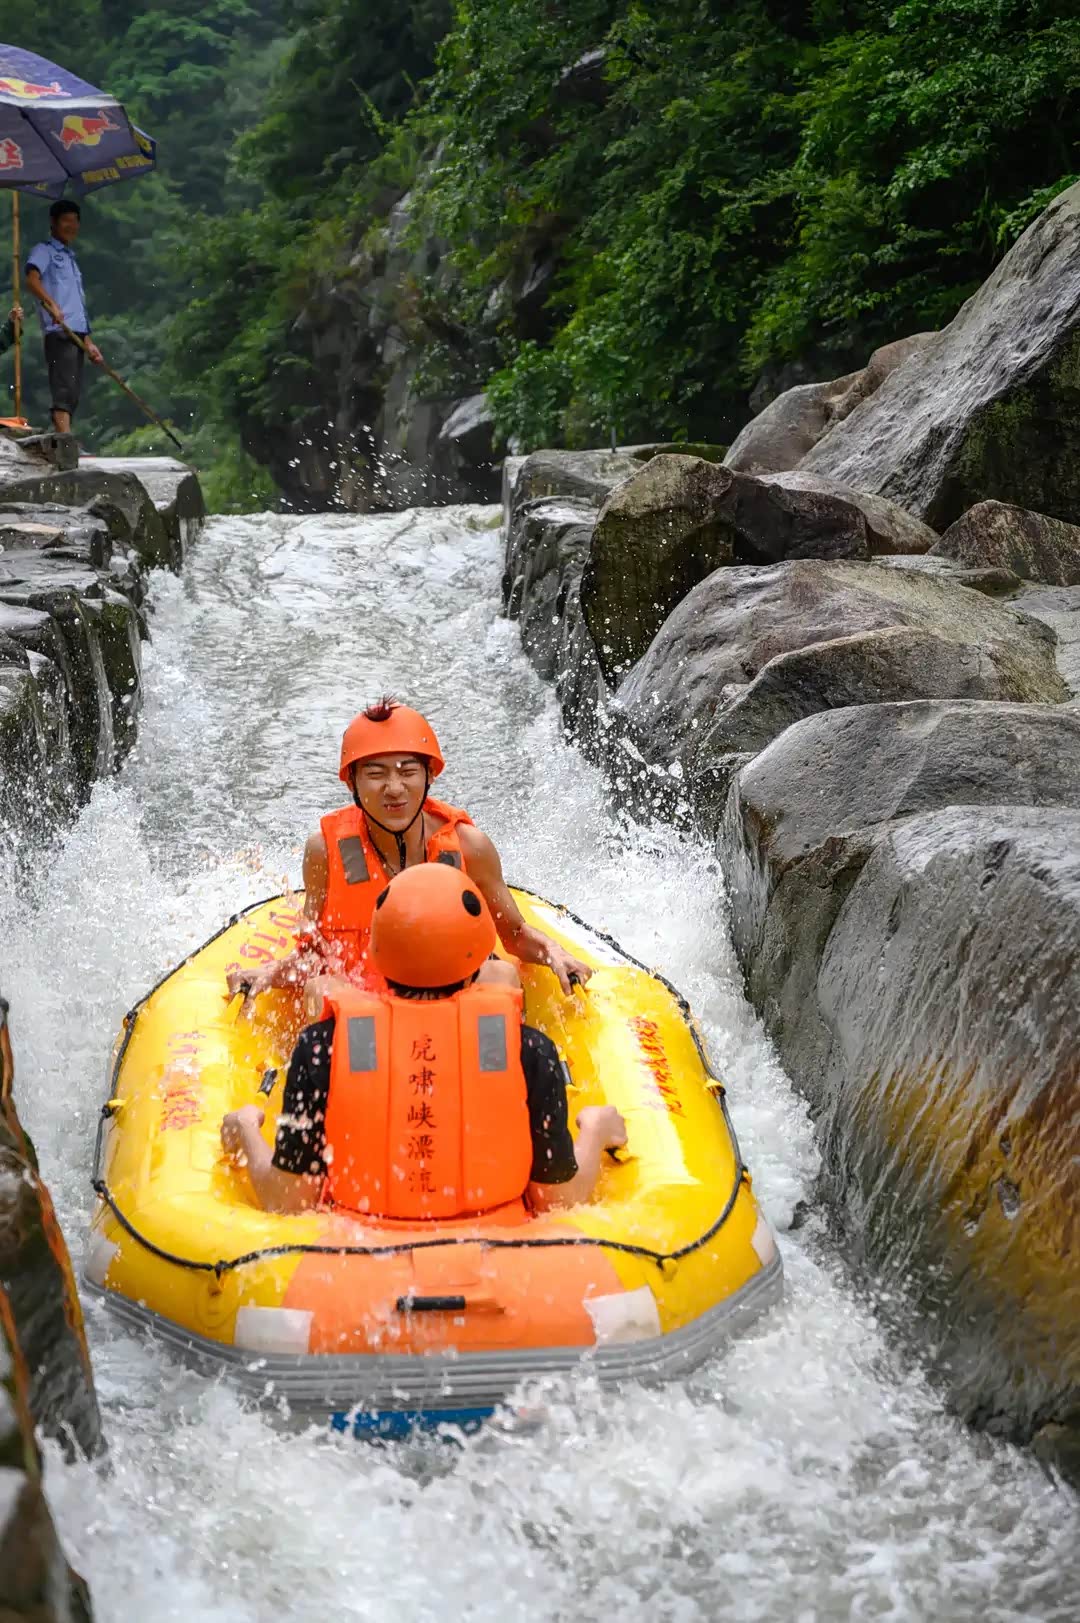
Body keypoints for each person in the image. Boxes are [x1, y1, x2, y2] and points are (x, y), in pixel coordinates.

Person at [221, 864, 627, 1216]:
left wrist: (245, 1129)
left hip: (358, 1242)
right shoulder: (530, 1050)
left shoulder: (320, 1047)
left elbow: (289, 1201)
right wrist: (594, 1128)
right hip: (495, 1239)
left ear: (379, 953)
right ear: (480, 954)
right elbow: (557, 1202)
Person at [228, 696, 591, 1004]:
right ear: (352, 782)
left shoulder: (468, 846)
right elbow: (313, 956)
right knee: (320, 990)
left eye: (407, 771)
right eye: (375, 774)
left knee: (501, 977)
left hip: (451, 1007)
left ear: (429, 775)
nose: (394, 788)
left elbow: (513, 935)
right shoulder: (325, 850)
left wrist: (553, 953)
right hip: (364, 1017)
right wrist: (269, 973)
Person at [24, 199, 104, 434]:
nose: (72, 225)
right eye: (66, 220)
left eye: (75, 221)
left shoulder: (71, 259)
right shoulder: (44, 251)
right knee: (64, 388)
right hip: (59, 331)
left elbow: (77, 305)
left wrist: (89, 343)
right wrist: (51, 303)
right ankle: (65, 442)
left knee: (73, 391)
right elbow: (32, 278)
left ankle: (63, 440)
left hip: (77, 332)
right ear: (53, 222)